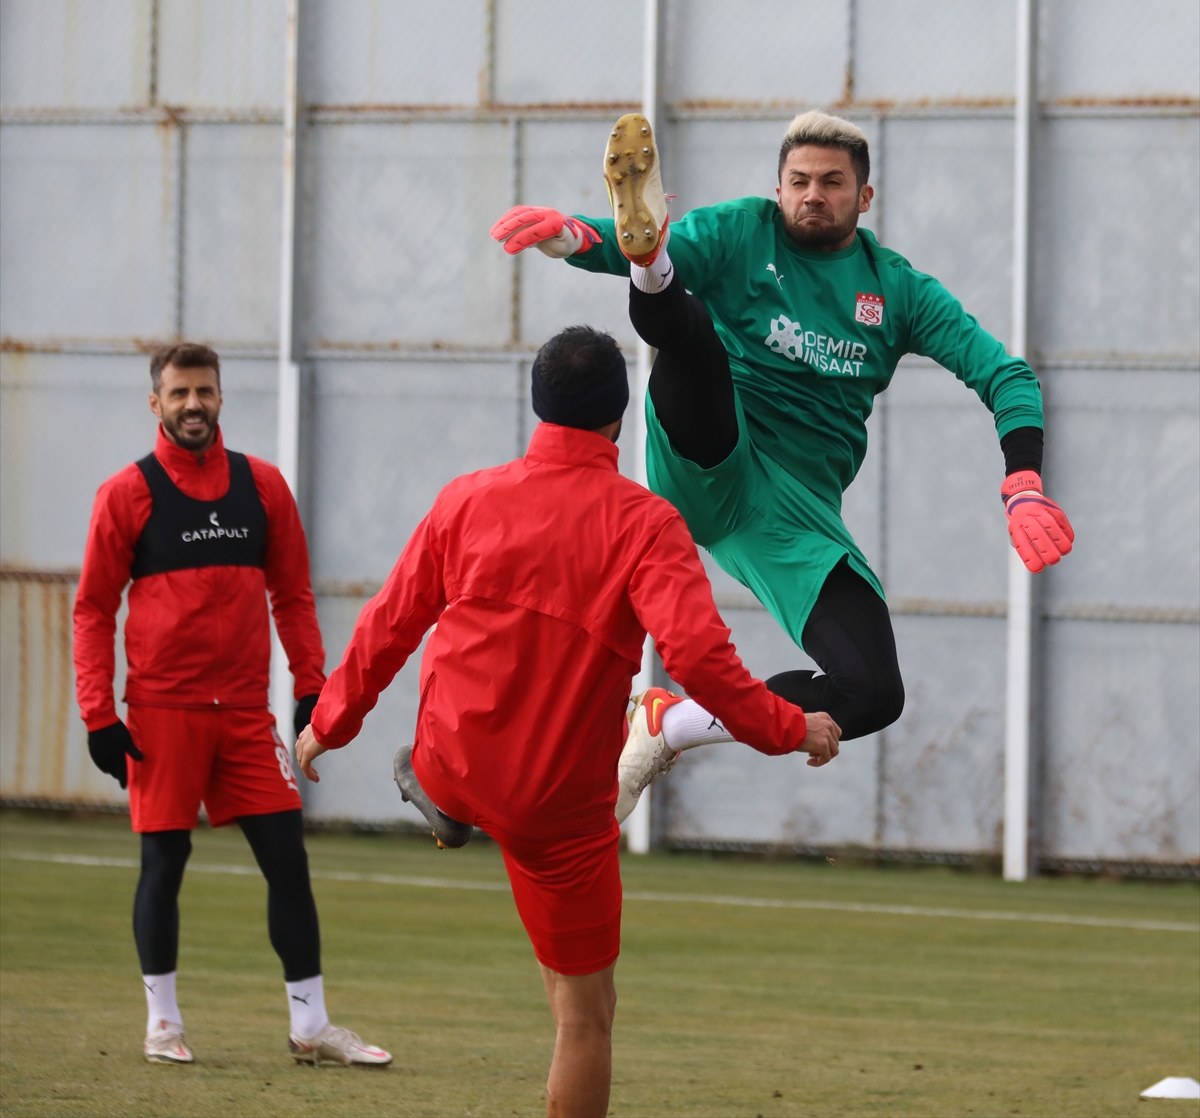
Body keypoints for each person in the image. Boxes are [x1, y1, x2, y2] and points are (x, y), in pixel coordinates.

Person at [294, 325, 841, 1118]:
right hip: (551, 803)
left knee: (475, 736)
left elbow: (389, 622)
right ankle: (624, 744)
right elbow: (705, 663)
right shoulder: (647, 524)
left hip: (452, 751)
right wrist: (794, 726)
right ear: (620, 418)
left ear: (536, 403)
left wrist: (328, 723)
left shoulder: (466, 498)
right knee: (587, 1019)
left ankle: (446, 794)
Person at [490, 110, 1075, 807]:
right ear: (778, 187)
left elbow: (1006, 375)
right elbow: (611, 244)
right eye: (798, 180)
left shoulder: (898, 290)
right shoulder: (745, 231)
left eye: (832, 182)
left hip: (793, 514)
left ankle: (669, 723)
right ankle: (655, 269)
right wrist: (574, 236)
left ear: (865, 197)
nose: (813, 194)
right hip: (711, 447)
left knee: (872, 690)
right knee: (693, 327)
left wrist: (1024, 480)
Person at [73, 342, 391, 1068]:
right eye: (179, 393)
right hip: (162, 712)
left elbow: (293, 593)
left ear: (221, 397)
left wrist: (312, 686)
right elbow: (92, 608)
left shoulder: (263, 486)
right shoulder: (127, 493)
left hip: (247, 715)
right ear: (155, 403)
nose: (194, 404)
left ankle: (311, 1026)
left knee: (288, 861)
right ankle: (162, 1023)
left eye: (205, 391)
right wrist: (99, 714)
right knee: (166, 859)